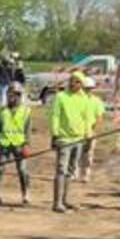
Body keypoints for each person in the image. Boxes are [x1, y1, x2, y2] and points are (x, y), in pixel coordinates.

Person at [49, 70, 96, 212]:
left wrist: (88, 136)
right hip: (64, 139)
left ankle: (65, 199)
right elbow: (55, 116)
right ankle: (57, 203)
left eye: (76, 81)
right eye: (71, 80)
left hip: (79, 139)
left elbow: (87, 119)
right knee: (61, 169)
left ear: (81, 84)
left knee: (71, 170)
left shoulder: (85, 99)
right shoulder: (60, 97)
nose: (73, 83)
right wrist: (55, 134)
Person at [0, 83, 32, 205]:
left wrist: (27, 144)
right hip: (5, 144)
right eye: (9, 94)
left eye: (14, 95)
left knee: (22, 170)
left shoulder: (26, 111)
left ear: (19, 96)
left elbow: (27, 130)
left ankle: (26, 193)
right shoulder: (2, 111)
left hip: (20, 144)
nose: (11, 97)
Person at [78, 74, 106, 183]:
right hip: (77, 131)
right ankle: (75, 172)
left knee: (88, 153)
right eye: (86, 89)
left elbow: (99, 117)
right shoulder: (77, 100)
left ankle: (86, 174)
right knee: (76, 153)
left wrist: (94, 129)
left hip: (90, 131)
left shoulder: (96, 101)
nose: (87, 91)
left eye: (89, 89)